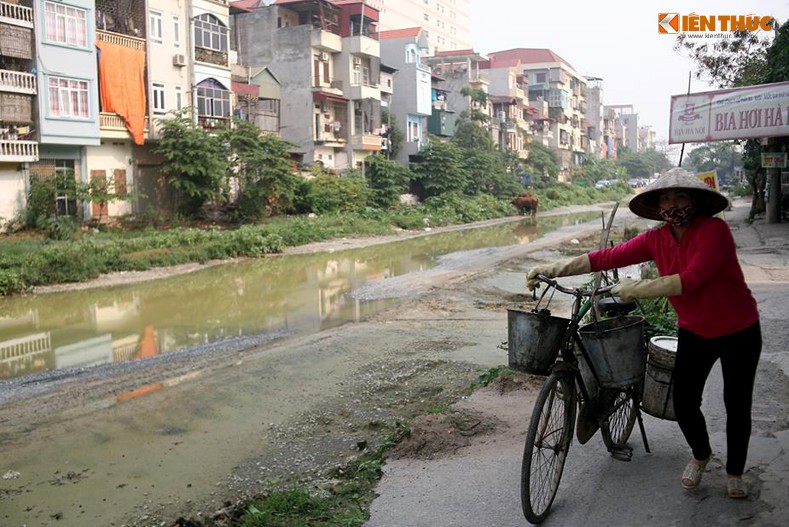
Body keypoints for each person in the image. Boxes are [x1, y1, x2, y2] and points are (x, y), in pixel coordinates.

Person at [526, 168, 761, 499]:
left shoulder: (715, 231)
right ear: (658, 204)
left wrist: (639, 287)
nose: (672, 203)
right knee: (684, 401)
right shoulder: (656, 239)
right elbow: (607, 257)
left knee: (737, 404)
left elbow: (693, 278)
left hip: (739, 329)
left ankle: (735, 471)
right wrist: (552, 268)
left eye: (680, 196)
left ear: (694, 199)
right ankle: (701, 453)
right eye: (666, 197)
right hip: (695, 330)